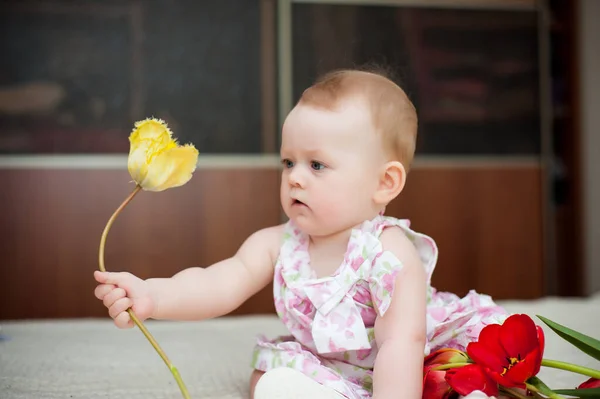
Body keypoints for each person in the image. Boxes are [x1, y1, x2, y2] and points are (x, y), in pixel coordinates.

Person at [94, 68, 507, 399]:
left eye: (317, 165)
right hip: (330, 367)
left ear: (384, 183)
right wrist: (153, 296)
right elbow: (216, 283)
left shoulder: (390, 255)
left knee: (460, 374)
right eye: (288, 162)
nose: (295, 179)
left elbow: (403, 341)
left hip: (407, 366)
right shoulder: (278, 244)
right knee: (267, 377)